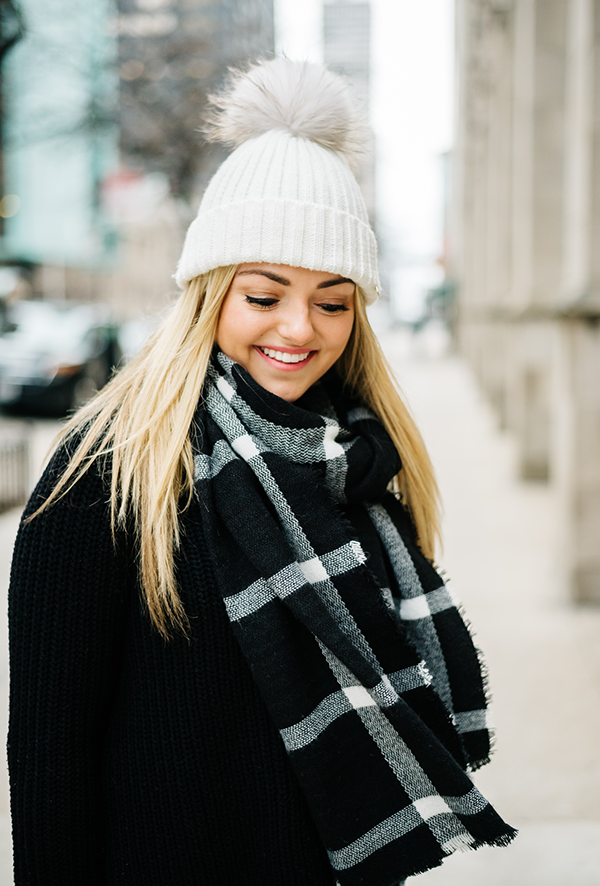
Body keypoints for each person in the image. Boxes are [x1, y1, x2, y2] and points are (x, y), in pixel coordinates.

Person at [8, 59, 516, 885]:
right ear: (210, 293)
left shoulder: (358, 461)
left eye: (333, 300)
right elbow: (48, 755)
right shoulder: (106, 473)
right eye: (264, 293)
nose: (299, 329)